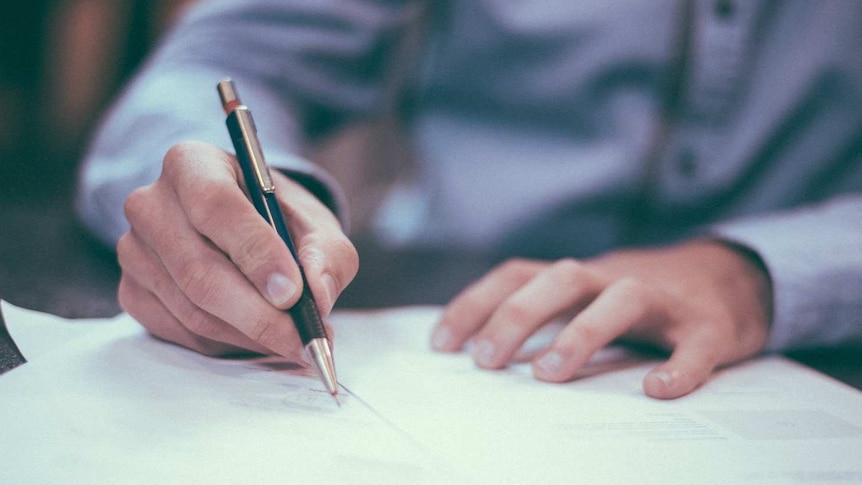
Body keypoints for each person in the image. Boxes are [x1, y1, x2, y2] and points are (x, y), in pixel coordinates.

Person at [76, 0, 862, 400]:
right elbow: (222, 61)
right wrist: (236, 204)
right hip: (445, 316)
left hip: (821, 338)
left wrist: (759, 272)